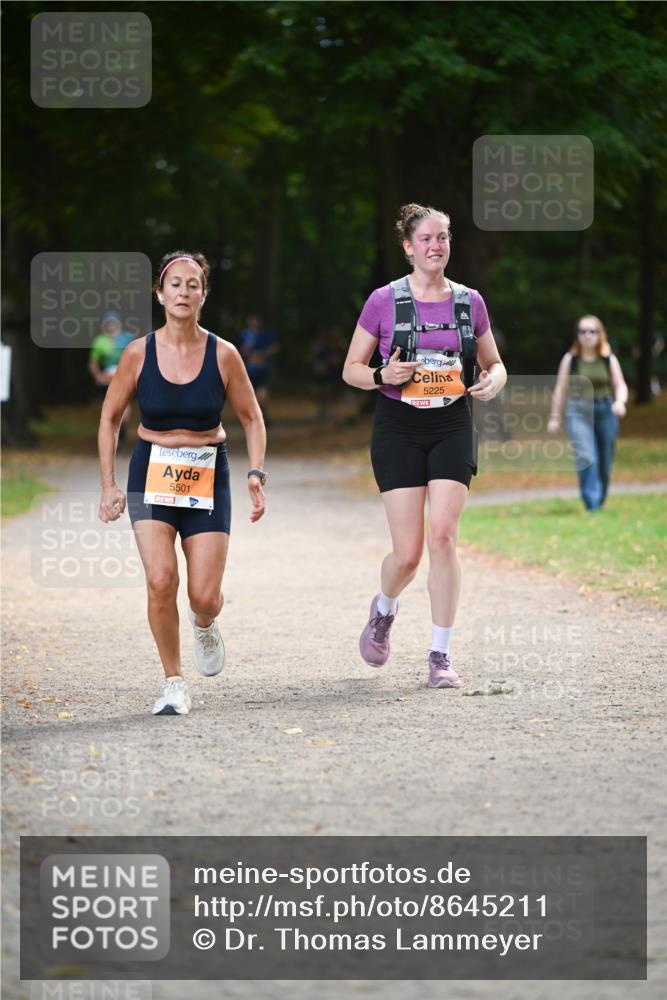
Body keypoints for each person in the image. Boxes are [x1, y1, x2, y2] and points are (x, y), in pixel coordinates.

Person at [342, 203, 506, 689]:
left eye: (443, 237)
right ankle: (384, 608)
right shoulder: (383, 301)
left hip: (452, 424)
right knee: (409, 555)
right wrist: (382, 375)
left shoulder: (469, 302)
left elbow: (495, 363)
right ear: (409, 247)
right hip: (398, 428)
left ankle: (440, 654)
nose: (436, 246)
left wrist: (494, 381)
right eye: (427, 239)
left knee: (443, 538)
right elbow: (351, 369)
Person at [97, 252, 267, 716]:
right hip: (151, 469)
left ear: (203, 295)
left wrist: (256, 472)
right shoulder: (138, 353)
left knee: (204, 596)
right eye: (175, 284)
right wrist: (109, 485)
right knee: (160, 579)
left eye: (193, 285)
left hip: (207, 473)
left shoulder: (223, 354)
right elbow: (110, 418)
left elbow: (252, 417)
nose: (184, 292)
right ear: (160, 293)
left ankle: (204, 623)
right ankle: (173, 682)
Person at [548, 314, 628, 510]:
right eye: (582, 331)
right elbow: (561, 388)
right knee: (587, 455)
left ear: (600, 334)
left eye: (592, 331)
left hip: (605, 410)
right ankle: (592, 503)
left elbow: (620, 385)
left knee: (605, 460)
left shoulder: (608, 359)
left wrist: (620, 401)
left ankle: (600, 498)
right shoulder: (571, 359)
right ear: (577, 335)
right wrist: (555, 417)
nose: (587, 335)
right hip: (578, 410)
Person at [88, 311, 134, 437]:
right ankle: (111, 430)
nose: (111, 326)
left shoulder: (127, 339)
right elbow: (93, 363)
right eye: (109, 324)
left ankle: (122, 430)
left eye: (114, 323)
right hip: (107, 378)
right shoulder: (100, 341)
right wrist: (98, 375)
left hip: (124, 377)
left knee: (125, 406)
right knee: (108, 407)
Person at [239, 315, 277, 423]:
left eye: (256, 322)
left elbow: (275, 347)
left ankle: (264, 416)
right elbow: (242, 351)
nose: (254, 324)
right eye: (252, 322)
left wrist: (264, 353)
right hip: (250, 371)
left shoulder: (266, 334)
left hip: (263, 371)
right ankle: (254, 418)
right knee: (251, 397)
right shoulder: (245, 335)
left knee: (262, 396)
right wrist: (247, 350)